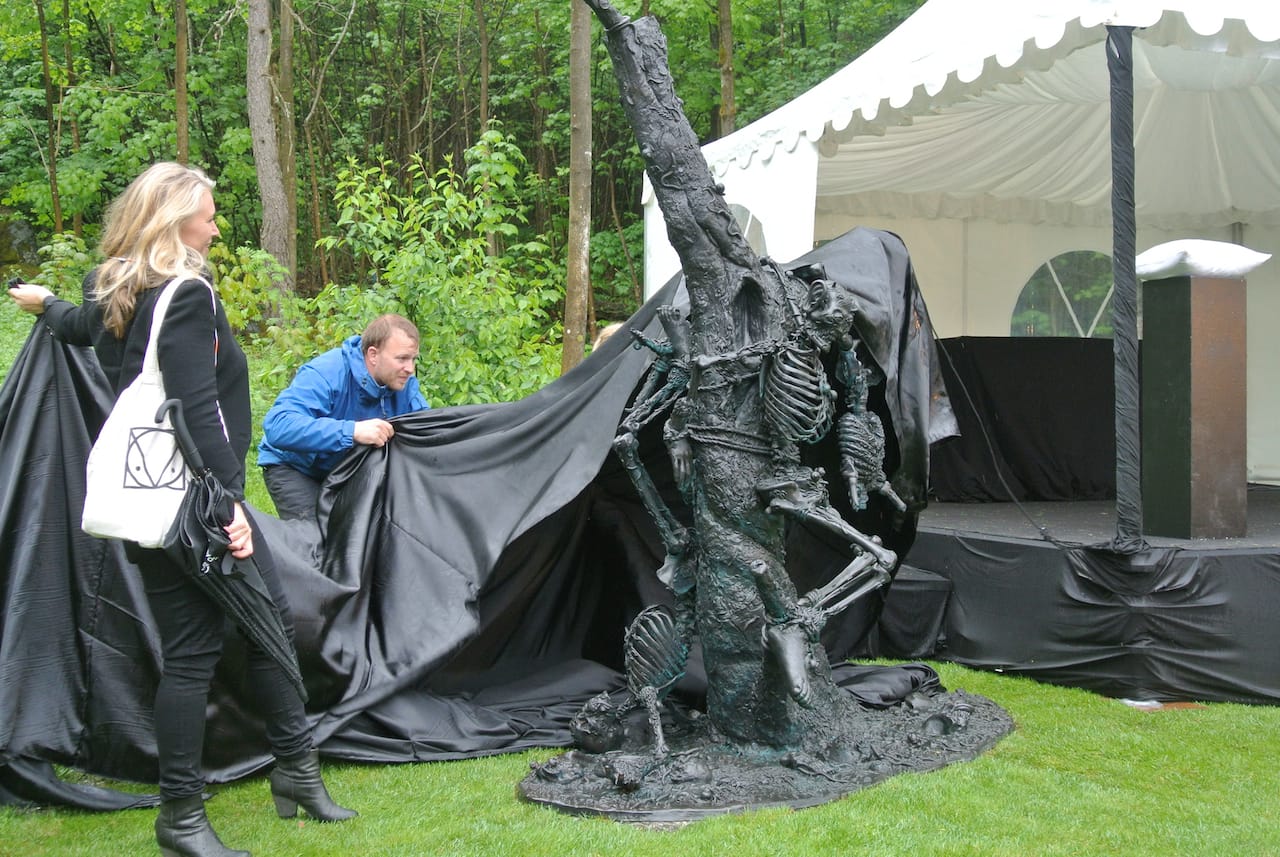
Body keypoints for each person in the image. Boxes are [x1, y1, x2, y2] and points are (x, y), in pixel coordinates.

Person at [8, 162, 355, 857]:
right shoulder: (186, 294)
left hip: (150, 501)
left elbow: (81, 328)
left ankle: (294, 772)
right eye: (208, 213)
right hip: (196, 502)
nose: (217, 224)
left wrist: (44, 304)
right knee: (206, 648)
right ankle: (185, 817)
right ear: (172, 220)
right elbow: (197, 410)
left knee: (262, 627)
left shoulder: (117, 285)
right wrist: (228, 503)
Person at [256, 314, 429, 520]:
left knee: (373, 535)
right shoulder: (328, 372)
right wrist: (352, 431)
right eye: (402, 358)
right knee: (317, 543)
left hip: (345, 471)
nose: (410, 369)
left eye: (413, 359)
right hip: (295, 467)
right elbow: (278, 426)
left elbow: (426, 430)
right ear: (373, 354)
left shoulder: (404, 384)